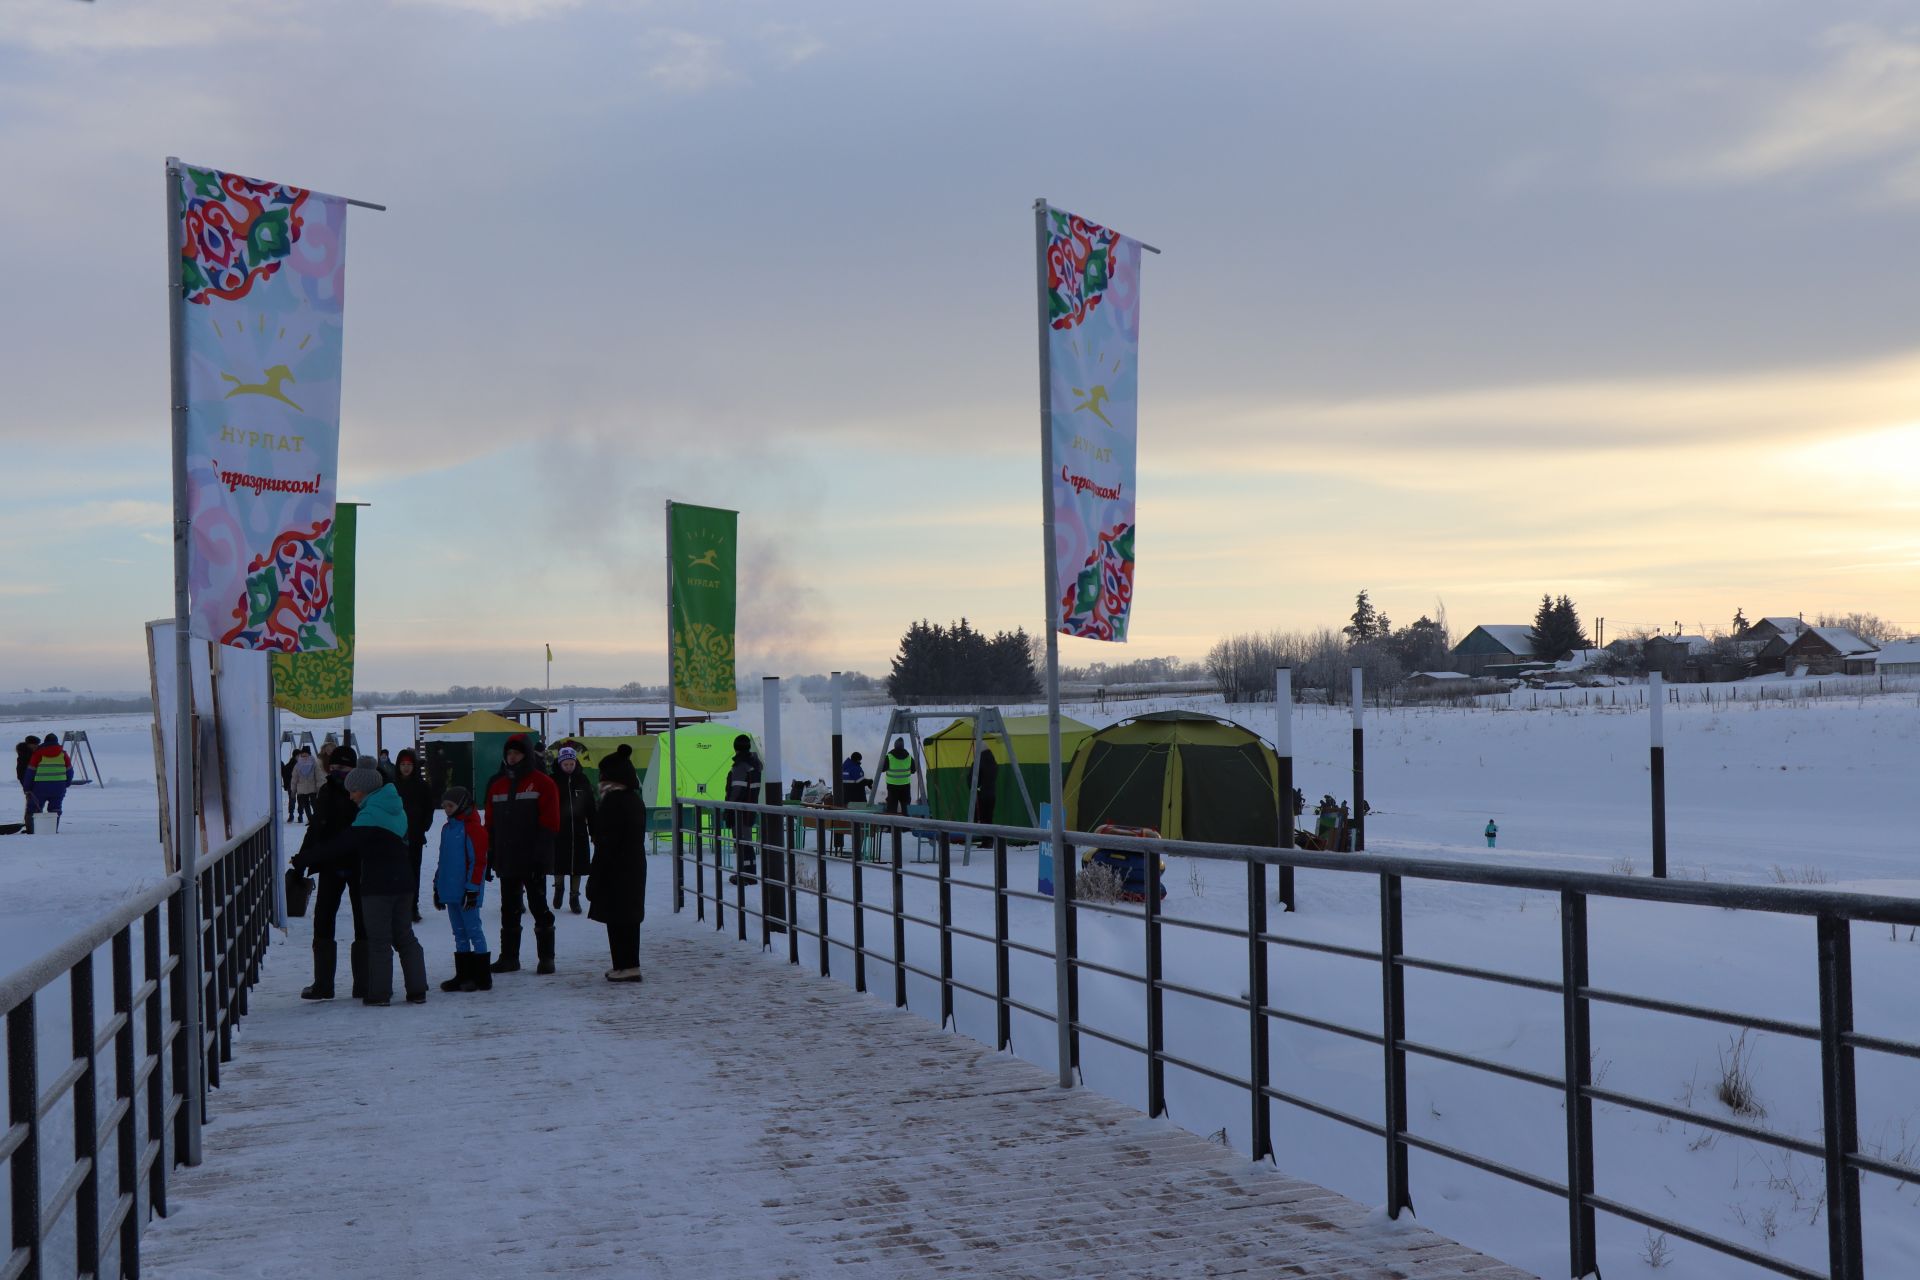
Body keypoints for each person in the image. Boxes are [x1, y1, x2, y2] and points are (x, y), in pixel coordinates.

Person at [321, 765, 429, 1006]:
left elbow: (343, 844)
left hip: (378, 885)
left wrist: (307, 858)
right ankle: (417, 989)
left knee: (379, 940)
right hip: (403, 882)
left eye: (354, 791)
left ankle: (379, 993)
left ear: (366, 790)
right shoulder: (395, 807)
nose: (351, 796)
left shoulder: (369, 815)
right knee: (405, 936)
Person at [292, 746, 366, 1000]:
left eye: (343, 768)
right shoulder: (326, 792)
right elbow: (315, 829)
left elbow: (354, 835)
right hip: (330, 866)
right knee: (323, 919)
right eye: (333, 768)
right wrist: (302, 859)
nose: (337, 772)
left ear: (353, 769)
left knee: (363, 921)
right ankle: (323, 983)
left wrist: (310, 856)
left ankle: (364, 983)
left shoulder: (363, 794)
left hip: (358, 865)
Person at [484, 734, 561, 975]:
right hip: (507, 857)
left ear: (526, 755)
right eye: (509, 753)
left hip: (533, 858)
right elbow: (490, 824)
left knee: (539, 907)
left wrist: (541, 857)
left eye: (517, 753)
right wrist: (490, 854)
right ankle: (509, 957)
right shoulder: (496, 785)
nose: (512, 757)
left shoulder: (543, 783)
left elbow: (550, 823)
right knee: (509, 908)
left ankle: (546, 958)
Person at [587, 743, 648, 982]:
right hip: (632, 866)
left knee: (618, 919)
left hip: (616, 868)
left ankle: (627, 966)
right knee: (628, 918)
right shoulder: (633, 799)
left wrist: (596, 874)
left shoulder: (613, 802)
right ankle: (627, 965)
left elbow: (606, 842)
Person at [433, 786, 491, 992]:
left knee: (473, 930)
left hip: (467, 892)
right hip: (450, 890)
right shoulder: (448, 829)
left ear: (462, 805)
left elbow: (478, 862)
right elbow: (443, 860)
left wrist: (473, 889)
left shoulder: (473, 828)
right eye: (444, 806)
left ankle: (482, 977)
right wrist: (437, 887)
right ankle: (464, 974)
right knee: (458, 933)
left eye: (450, 805)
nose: (447, 809)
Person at [551, 746, 597, 914]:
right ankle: (559, 888)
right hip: (559, 830)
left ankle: (574, 896)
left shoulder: (582, 780)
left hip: (578, 830)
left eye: (571, 763)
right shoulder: (553, 780)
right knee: (558, 862)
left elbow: (591, 807)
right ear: (560, 763)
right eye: (566, 764)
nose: (569, 767)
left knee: (578, 865)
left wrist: (594, 830)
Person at [394, 749, 434, 922]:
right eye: (403, 765)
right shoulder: (392, 786)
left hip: (415, 836)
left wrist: (423, 826)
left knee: (413, 872)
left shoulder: (422, 786)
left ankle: (412, 906)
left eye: (409, 765)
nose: (406, 768)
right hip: (395, 837)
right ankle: (398, 907)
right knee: (396, 873)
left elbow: (429, 808)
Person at [724, 734, 763, 882]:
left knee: (741, 842)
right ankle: (750, 873)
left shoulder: (741, 767)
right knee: (747, 842)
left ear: (736, 748)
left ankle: (743, 875)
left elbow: (736, 791)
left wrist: (728, 807)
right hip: (750, 808)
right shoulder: (755, 766)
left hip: (739, 810)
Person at [26, 732, 72, 832]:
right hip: (59, 787)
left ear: (45, 742)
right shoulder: (63, 754)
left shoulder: (38, 753)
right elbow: (70, 771)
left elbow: (30, 772)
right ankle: (52, 829)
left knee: (34, 809)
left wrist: (27, 788)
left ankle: (33, 830)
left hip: (40, 787)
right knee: (55, 809)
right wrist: (66, 784)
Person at [880, 737, 914, 816]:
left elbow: (882, 769)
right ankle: (906, 826)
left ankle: (892, 827)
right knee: (906, 807)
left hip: (892, 786)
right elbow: (913, 770)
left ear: (895, 746)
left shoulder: (889, 757)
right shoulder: (909, 758)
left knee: (892, 807)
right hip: (905, 786)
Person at [972, 745, 998, 846]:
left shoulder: (979, 761)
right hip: (992, 793)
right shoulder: (993, 762)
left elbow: (972, 777)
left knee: (983, 818)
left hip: (982, 794)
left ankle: (985, 840)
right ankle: (989, 840)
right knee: (989, 817)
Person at [290, 747, 321, 824]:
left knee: (315, 805)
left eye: (306, 755)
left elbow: (318, 776)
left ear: (309, 755)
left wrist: (319, 788)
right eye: (303, 755)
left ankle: (316, 818)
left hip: (312, 788)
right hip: (302, 789)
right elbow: (294, 779)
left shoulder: (314, 764)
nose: (304, 757)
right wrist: (293, 791)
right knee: (306, 806)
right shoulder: (297, 765)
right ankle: (310, 820)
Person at [15, 735, 39, 829]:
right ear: (29, 744)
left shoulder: (26, 753)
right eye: (35, 744)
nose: (36, 746)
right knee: (32, 805)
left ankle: (31, 826)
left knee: (31, 805)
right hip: (29, 783)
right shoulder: (27, 755)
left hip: (29, 782)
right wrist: (26, 785)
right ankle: (31, 827)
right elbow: (21, 772)